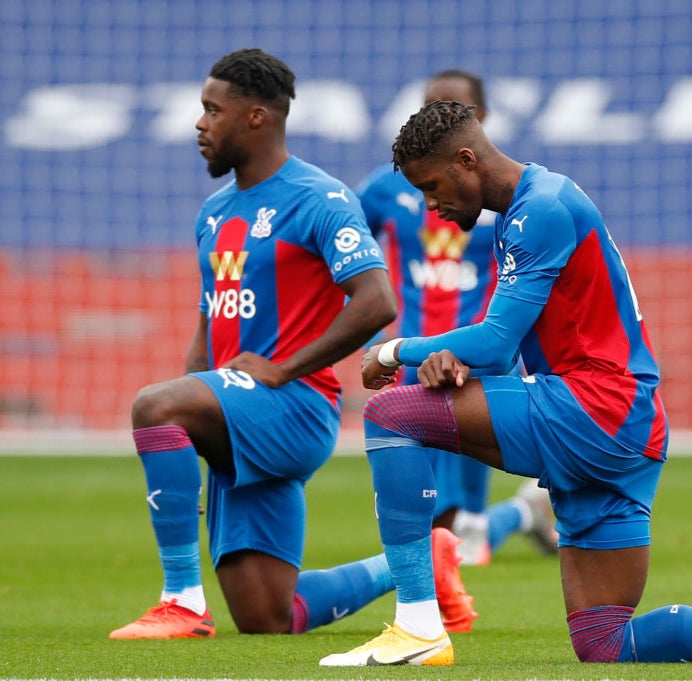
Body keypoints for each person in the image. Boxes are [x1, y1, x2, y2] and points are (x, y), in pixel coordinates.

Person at [318, 100, 692, 666]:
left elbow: (495, 341)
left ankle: (418, 625)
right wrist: (451, 358)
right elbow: (501, 352)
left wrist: (394, 349)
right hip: (628, 425)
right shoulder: (532, 206)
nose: (431, 205)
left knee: (392, 415)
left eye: (433, 186)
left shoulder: (538, 210)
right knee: (603, 642)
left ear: (466, 160)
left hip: (593, 408)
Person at [108, 48, 475, 640]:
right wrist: (196, 420)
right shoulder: (214, 212)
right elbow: (210, 324)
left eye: (212, 110)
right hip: (236, 410)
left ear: (256, 117)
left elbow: (377, 301)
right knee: (268, 618)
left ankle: (181, 600)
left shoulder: (319, 198)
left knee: (153, 404)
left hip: (293, 406)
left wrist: (282, 371)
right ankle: (419, 564)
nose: (200, 124)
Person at [355, 69, 557, 581]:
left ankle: (502, 520)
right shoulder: (389, 189)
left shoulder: (506, 198)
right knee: (426, 514)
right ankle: (523, 512)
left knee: (462, 533)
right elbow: (347, 247)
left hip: (481, 356)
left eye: (449, 108)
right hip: (414, 350)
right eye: (424, 107)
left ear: (481, 121)